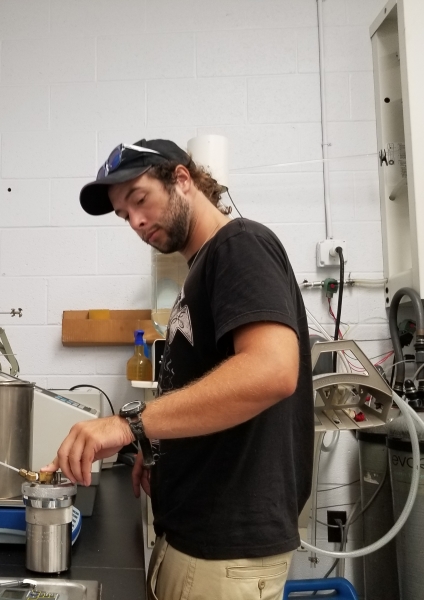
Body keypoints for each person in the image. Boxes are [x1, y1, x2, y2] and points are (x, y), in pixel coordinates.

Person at [43, 139, 314, 600]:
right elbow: (210, 389)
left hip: (224, 553)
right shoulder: (199, 271)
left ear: (182, 179)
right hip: (194, 542)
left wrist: (130, 425)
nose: (136, 222)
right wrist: (156, 441)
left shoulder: (240, 245)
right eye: (124, 216)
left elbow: (271, 370)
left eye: (140, 200)